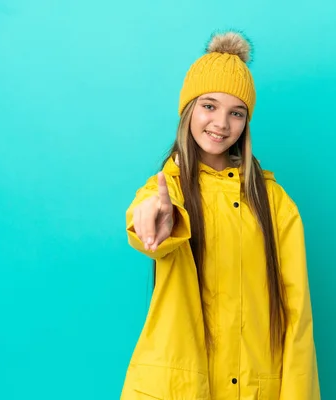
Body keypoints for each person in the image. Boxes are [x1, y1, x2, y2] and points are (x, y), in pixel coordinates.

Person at [120, 30, 320, 400]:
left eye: (236, 113)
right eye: (209, 106)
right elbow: (145, 216)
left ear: (246, 122)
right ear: (188, 110)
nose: (221, 124)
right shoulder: (168, 188)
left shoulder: (273, 202)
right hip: (178, 387)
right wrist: (157, 221)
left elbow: (297, 316)